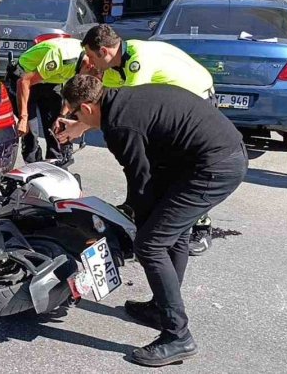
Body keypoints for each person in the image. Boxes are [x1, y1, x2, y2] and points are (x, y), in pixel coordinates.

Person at [60, 75, 247, 367]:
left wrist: (136, 222)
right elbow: (147, 175)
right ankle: (162, 309)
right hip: (207, 156)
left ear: (85, 107)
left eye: (73, 112)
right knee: (176, 235)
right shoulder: (121, 101)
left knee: (150, 245)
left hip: (213, 166)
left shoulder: (120, 125)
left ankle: (177, 336)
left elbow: (140, 180)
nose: (73, 117)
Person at [70, 24, 217, 255]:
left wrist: (80, 127)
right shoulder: (114, 66)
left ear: (104, 52)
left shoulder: (137, 62)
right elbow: (100, 108)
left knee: (186, 170)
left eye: (90, 56)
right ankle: (138, 208)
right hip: (171, 107)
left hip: (196, 100)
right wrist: (78, 124)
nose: (90, 63)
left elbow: (127, 111)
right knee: (147, 162)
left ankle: (200, 225)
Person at [12, 37, 96, 162]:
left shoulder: (89, 62)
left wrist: (61, 115)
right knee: (30, 130)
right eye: (89, 77)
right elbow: (23, 82)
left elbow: (72, 93)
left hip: (52, 80)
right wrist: (23, 118)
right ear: (89, 66)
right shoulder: (63, 59)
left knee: (57, 126)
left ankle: (57, 164)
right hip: (26, 78)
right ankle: (33, 165)